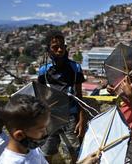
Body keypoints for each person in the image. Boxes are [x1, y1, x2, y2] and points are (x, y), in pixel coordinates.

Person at [38, 30, 85, 163]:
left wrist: (81, 120)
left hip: (70, 118)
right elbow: (40, 96)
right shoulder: (44, 71)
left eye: (62, 46)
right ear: (48, 50)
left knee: (75, 152)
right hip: (50, 118)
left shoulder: (75, 68)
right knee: (46, 153)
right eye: (55, 47)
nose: (60, 50)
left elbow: (79, 95)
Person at [107, 53, 132, 164]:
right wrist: (110, 89)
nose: (127, 72)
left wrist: (130, 94)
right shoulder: (120, 80)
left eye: (131, 69)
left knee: (126, 160)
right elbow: (116, 95)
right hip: (116, 128)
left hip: (130, 131)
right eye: (125, 68)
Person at [0, 94, 49, 164]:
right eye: (41, 130)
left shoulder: (33, 149)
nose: (45, 133)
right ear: (19, 135)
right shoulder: (8, 162)